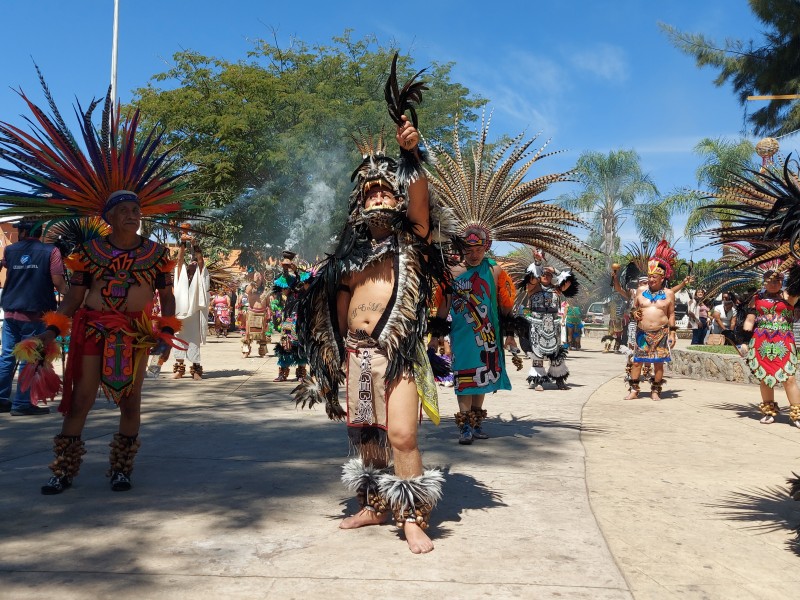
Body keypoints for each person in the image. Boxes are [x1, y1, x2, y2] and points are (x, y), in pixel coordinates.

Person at [0, 79, 191, 494]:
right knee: (81, 397)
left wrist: (167, 330)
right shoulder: (87, 252)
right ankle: (63, 469)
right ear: (109, 216)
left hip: (136, 333)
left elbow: (167, 294)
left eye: (136, 209)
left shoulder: (158, 254)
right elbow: (72, 295)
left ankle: (121, 467)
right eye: (124, 210)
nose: (133, 215)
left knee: (131, 399)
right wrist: (52, 329)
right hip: (91, 329)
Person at [294, 65, 451, 553]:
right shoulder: (347, 257)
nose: (378, 195)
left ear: (397, 197)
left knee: (401, 434)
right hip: (357, 355)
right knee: (365, 435)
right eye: (371, 191)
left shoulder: (412, 239)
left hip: (399, 351)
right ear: (359, 203)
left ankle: (411, 516)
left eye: (386, 189)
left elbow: (422, 204)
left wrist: (413, 155)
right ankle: (374, 503)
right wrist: (331, 358)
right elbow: (335, 310)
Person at [430, 226, 519, 443]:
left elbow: (504, 304)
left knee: (484, 376)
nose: (474, 254)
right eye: (469, 249)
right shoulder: (452, 273)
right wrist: (436, 336)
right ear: (462, 249)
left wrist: (509, 334)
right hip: (462, 335)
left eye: (478, 249)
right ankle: (465, 427)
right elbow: (443, 306)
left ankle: (476, 423)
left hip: (488, 333)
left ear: (485, 247)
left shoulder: (495, 270)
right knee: (464, 376)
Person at [0, 218, 67, 415]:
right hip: (35, 313)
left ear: (22, 232)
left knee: (7, 356)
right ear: (39, 233)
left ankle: (2, 399)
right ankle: (22, 403)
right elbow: (58, 282)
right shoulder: (51, 252)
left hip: (11, 311)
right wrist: (71, 300)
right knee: (30, 357)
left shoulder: (10, 250)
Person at [742, 271, 800, 428]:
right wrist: (744, 341)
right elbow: (749, 320)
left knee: (789, 378)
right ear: (764, 282)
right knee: (765, 377)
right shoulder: (756, 299)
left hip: (784, 341)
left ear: (782, 282)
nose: (774, 284)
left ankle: (796, 414)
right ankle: (769, 412)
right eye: (770, 281)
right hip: (761, 342)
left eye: (777, 281)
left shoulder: (789, 296)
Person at [624, 255, 677, 401]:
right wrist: (635, 313)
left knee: (658, 363)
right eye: (649, 276)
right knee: (637, 361)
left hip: (661, 333)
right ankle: (634, 390)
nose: (651, 279)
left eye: (654, 277)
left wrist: (672, 333)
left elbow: (671, 314)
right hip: (642, 333)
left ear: (661, 278)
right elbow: (633, 309)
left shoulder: (669, 294)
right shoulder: (641, 291)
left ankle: (655, 391)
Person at [523, 262, 575, 391]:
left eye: (549, 274)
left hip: (553, 325)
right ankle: (538, 381)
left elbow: (568, 282)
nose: (546, 276)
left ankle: (559, 380)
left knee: (556, 353)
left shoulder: (557, 288)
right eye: (543, 274)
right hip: (537, 325)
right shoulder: (532, 287)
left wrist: (556, 270)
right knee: (537, 353)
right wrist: (538, 266)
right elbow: (531, 278)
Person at [172, 235, 210, 379]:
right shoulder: (181, 277)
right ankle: (179, 370)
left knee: (194, 341)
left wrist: (194, 244)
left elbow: (200, 261)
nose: (193, 264)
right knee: (178, 340)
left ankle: (195, 370)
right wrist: (182, 242)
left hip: (194, 315)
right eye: (191, 264)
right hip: (180, 314)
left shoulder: (200, 277)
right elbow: (179, 260)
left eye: (195, 264)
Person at [241, 271, 270, 358]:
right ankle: (246, 351)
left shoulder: (265, 290)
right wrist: (254, 282)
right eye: (256, 276)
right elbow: (247, 291)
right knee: (247, 334)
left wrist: (269, 315)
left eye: (259, 276)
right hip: (252, 313)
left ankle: (262, 352)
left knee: (263, 334)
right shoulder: (250, 288)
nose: (258, 278)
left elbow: (268, 304)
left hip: (262, 314)